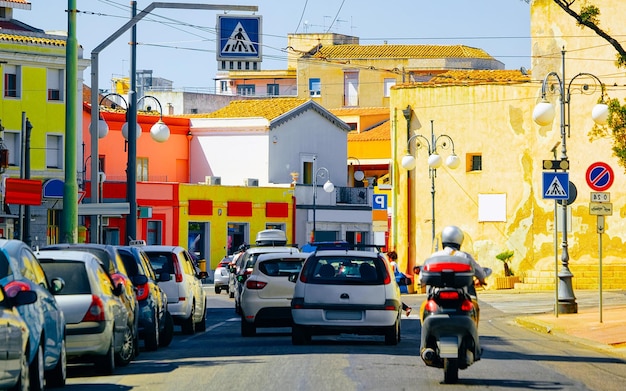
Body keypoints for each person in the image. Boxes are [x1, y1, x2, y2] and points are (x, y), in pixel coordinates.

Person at [428, 225, 487, 296]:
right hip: (461, 294)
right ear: (459, 240)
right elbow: (480, 273)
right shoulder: (465, 256)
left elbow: (422, 277)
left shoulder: (434, 256)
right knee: (472, 303)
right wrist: (481, 279)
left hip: (437, 294)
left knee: (426, 304)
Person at [386, 250, 412, 317]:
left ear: (390, 257)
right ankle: (406, 308)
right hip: (396, 283)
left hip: (394, 283)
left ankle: (406, 308)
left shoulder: (392, 264)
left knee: (395, 299)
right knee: (396, 298)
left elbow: (391, 273)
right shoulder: (395, 263)